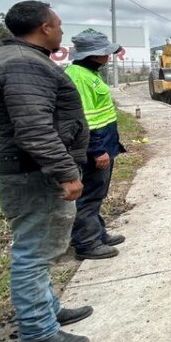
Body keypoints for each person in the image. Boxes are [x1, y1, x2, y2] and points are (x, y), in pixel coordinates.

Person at [0, 1, 93, 342]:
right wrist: (66, 172)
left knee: (40, 247)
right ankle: (37, 332)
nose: (61, 31)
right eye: (58, 25)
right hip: (33, 172)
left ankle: (48, 310)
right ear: (44, 27)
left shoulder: (22, 60)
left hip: (30, 167)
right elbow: (34, 128)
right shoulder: (23, 64)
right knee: (33, 252)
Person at [65, 30, 126, 261]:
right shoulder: (79, 77)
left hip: (104, 144)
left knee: (96, 194)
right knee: (89, 196)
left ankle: (97, 233)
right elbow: (86, 120)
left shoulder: (87, 73)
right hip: (94, 148)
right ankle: (87, 243)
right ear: (95, 54)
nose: (108, 55)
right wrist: (97, 150)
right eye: (105, 52)